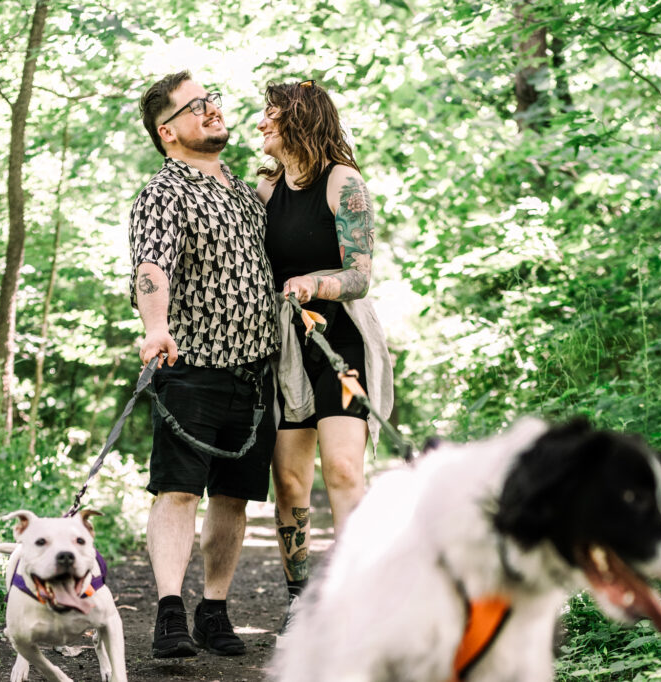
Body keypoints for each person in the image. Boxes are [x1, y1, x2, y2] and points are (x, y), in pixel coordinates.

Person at [129, 71, 281, 659]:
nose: (212, 109)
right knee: (177, 491)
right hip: (190, 367)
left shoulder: (245, 192)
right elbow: (153, 267)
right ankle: (170, 612)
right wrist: (155, 326)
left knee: (233, 498)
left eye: (211, 99)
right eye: (196, 106)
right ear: (168, 131)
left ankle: (213, 610)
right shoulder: (164, 194)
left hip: (254, 374)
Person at [255, 80, 393, 637]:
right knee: (289, 481)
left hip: (341, 341)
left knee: (341, 468)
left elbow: (360, 275)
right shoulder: (263, 192)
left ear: (298, 120)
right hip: (285, 346)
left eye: (270, 115)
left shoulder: (345, 183)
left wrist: (314, 283)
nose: (261, 124)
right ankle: (301, 597)